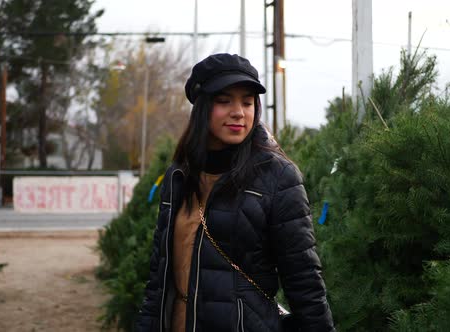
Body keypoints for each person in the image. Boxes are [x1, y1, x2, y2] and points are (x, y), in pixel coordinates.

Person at [136, 53, 334, 332]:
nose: (239, 112)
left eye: (248, 101)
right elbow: (159, 277)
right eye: (224, 100)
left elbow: (304, 281)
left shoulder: (277, 177)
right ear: (202, 107)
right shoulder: (179, 176)